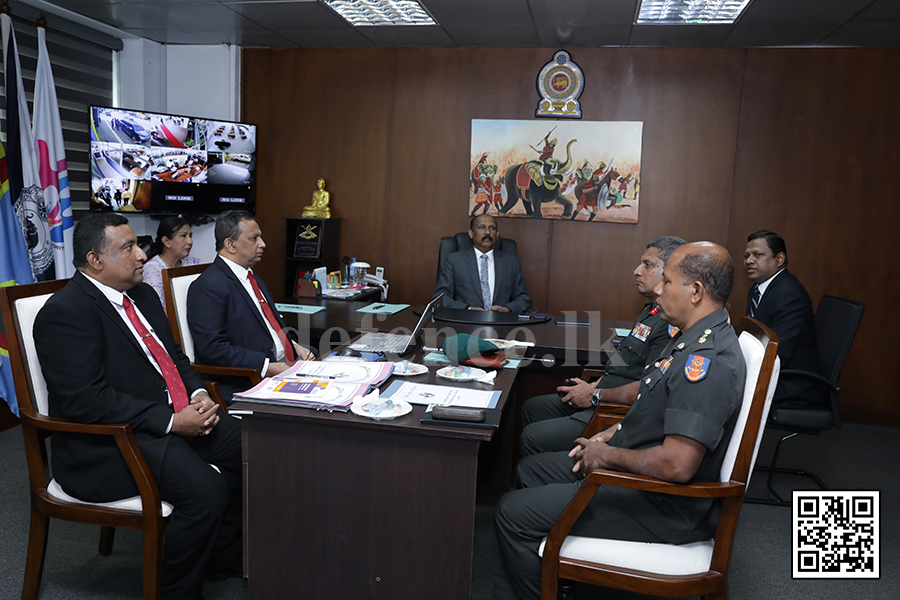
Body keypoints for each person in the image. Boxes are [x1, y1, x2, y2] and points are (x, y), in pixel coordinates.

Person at [494, 242, 746, 600]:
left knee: (510, 513)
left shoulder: (706, 362)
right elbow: (651, 405)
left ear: (696, 292)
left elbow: (677, 464)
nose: (658, 289)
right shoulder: (691, 339)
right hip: (637, 474)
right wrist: (610, 435)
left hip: (660, 505)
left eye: (668, 281)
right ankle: (556, 579)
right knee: (530, 472)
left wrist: (607, 456)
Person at [33, 213, 242, 600]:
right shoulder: (65, 313)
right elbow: (86, 400)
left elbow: (175, 359)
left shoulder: (142, 295)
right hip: (109, 442)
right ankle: (176, 591)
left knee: (253, 449)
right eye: (128, 248)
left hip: (163, 418)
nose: (142, 255)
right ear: (95, 260)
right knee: (206, 489)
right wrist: (172, 421)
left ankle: (221, 560)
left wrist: (197, 396)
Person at [519, 236, 686, 456]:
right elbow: (623, 366)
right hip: (602, 394)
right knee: (531, 408)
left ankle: (539, 477)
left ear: (669, 272)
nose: (637, 271)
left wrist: (595, 393)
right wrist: (592, 386)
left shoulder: (668, 324)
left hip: (613, 410)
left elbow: (648, 387)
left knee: (531, 437)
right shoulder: (650, 310)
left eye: (647, 265)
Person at [188, 210, 315, 402]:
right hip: (248, 379)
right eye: (254, 238)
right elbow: (213, 349)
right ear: (230, 244)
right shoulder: (207, 286)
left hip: (281, 362)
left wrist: (294, 346)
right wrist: (268, 367)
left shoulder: (251, 276)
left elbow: (269, 325)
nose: (262, 244)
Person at [743, 230, 823, 407]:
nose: (749, 260)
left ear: (779, 259)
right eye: (747, 255)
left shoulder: (789, 295)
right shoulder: (758, 289)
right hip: (771, 372)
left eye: (758, 255)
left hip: (793, 383)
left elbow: (778, 353)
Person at [433, 214, 532, 313]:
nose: (487, 232)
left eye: (492, 228)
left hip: (500, 323)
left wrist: (507, 309)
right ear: (471, 233)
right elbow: (441, 297)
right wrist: (468, 309)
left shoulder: (511, 262)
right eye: (482, 227)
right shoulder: (454, 260)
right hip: (465, 322)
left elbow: (524, 298)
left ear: (497, 234)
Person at [142, 215, 202, 309]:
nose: (190, 241)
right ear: (166, 241)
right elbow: (157, 308)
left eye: (190, 236)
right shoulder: (152, 269)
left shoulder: (193, 263)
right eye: (183, 236)